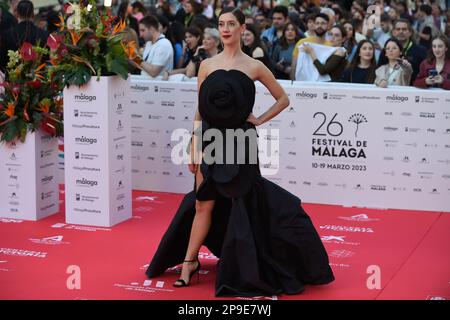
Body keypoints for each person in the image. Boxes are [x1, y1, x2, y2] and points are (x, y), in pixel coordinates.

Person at [145, 7, 335, 297]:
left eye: (231, 24)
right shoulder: (207, 65)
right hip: (209, 140)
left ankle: (244, 265)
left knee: (240, 205)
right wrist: (193, 144)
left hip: (241, 143)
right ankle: (189, 262)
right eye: (221, 24)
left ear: (242, 27)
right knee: (202, 204)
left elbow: (283, 98)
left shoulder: (254, 65)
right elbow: (201, 109)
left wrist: (258, 119)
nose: (225, 29)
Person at [0, 0, 48, 73]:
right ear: (33, 14)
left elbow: (3, 61)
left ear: (17, 14)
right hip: (39, 79)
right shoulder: (44, 34)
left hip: (14, 80)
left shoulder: (7, 35)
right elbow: (47, 59)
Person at [290, 13, 333, 80]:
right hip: (303, 84)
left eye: (323, 23)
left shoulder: (331, 46)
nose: (319, 26)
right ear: (314, 25)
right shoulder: (302, 43)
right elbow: (294, 67)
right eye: (317, 23)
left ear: (328, 26)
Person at [392, 18, 427, 83]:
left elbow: (425, 72)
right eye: (398, 29)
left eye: (404, 29)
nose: (401, 31)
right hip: (391, 88)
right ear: (393, 32)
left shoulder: (421, 50)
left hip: (413, 89)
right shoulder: (386, 50)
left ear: (410, 32)